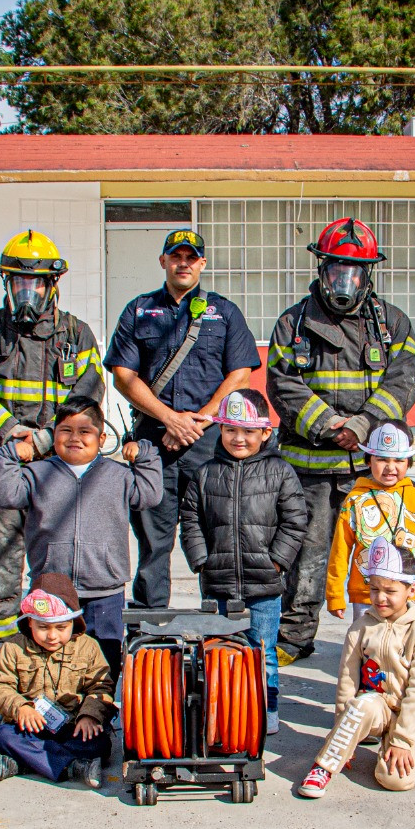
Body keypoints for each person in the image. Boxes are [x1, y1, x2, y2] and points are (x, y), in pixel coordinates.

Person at [266, 217, 415, 664]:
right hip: (311, 469)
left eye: (354, 272)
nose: (345, 281)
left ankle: (387, 638)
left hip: (374, 472)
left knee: (385, 555)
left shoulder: (391, 323)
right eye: (337, 270)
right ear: (322, 269)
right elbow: (283, 384)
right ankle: (296, 637)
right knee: (309, 555)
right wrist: (333, 425)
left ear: (367, 274)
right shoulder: (293, 323)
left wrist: (363, 425)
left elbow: (405, 381)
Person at [0, 231, 105, 644]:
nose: (27, 292)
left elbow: (87, 398)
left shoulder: (77, 335)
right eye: (19, 283)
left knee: (53, 572)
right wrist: (9, 431)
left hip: (54, 477)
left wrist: (39, 443)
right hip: (1, 473)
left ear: (51, 284)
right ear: (7, 282)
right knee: (1, 575)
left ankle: (56, 659)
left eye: (36, 283)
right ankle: (5, 660)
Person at [105, 228, 260, 608]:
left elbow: (240, 374)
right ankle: (150, 622)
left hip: (206, 441)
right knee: (153, 538)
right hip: (152, 439)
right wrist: (169, 419)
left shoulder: (223, 312)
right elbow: (124, 375)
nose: (184, 263)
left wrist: (197, 422)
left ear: (202, 264)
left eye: (192, 257)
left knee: (214, 534)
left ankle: (218, 621)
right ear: (164, 261)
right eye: (176, 256)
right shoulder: (139, 310)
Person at [0, 397, 164, 675]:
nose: (75, 438)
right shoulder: (37, 473)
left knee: (104, 662)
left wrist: (145, 454)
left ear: (102, 437)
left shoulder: (117, 474)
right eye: (66, 430)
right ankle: (58, 714)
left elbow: (149, 494)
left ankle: (98, 714)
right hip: (51, 585)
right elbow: (6, 494)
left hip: (104, 588)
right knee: (49, 662)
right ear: (54, 435)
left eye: (85, 431)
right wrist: (11, 454)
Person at [178, 389, 309, 733]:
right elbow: (190, 519)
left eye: (248, 431)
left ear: (266, 432)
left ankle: (266, 709)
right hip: (217, 584)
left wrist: (277, 562)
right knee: (217, 652)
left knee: (262, 653)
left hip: (263, 586)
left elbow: (295, 521)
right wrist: (201, 561)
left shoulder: (280, 472)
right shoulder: (205, 473)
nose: (239, 438)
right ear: (219, 431)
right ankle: (221, 711)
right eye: (231, 430)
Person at [297, 540, 415, 798]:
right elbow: (347, 682)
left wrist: (401, 740)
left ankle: (392, 746)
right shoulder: (361, 627)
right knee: (361, 704)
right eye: (374, 589)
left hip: (411, 714)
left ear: (412, 589)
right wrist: (343, 733)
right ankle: (323, 767)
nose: (380, 597)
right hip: (376, 707)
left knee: (395, 780)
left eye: (390, 591)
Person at [0, 575, 115, 788]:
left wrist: (90, 716)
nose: (52, 636)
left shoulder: (88, 647)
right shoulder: (13, 648)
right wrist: (20, 708)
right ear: (29, 622)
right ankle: (74, 767)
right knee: (3, 736)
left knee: (100, 743)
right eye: (43, 627)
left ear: (73, 622)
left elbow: (102, 686)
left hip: (72, 726)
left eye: (61, 627)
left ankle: (25, 763)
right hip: (31, 725)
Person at [325, 421, 415, 625]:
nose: (390, 467)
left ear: (408, 462)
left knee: (405, 650)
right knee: (368, 647)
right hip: (367, 595)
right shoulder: (354, 500)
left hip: (408, 594)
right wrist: (334, 594)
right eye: (382, 459)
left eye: (399, 460)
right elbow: (340, 551)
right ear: (368, 461)